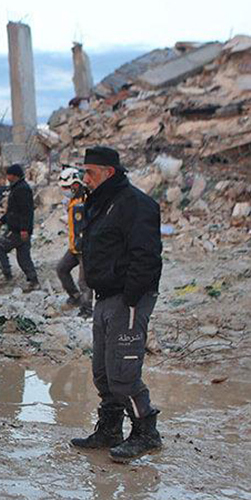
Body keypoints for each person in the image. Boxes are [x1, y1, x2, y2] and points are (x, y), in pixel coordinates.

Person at [70, 146, 163, 463]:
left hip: (127, 298)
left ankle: (146, 432)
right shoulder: (100, 202)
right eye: (84, 172)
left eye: (90, 172)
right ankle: (110, 429)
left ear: (109, 172)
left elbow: (146, 255)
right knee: (103, 373)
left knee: (123, 373)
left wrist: (132, 295)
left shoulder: (135, 204)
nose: (85, 178)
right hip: (104, 297)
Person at [0, 163, 38, 291]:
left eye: (9, 174)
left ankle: (8, 277)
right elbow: (13, 210)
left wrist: (24, 229)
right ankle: (33, 281)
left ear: (14, 175)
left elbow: (26, 211)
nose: (7, 177)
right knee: (23, 257)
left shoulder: (22, 189)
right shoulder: (17, 188)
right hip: (20, 229)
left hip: (18, 230)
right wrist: (2, 220)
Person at [55, 167, 92, 317]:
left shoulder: (87, 200)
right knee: (62, 269)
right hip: (74, 246)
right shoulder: (73, 200)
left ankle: (87, 309)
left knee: (84, 282)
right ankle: (75, 297)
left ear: (76, 185)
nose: (64, 190)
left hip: (85, 248)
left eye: (66, 187)